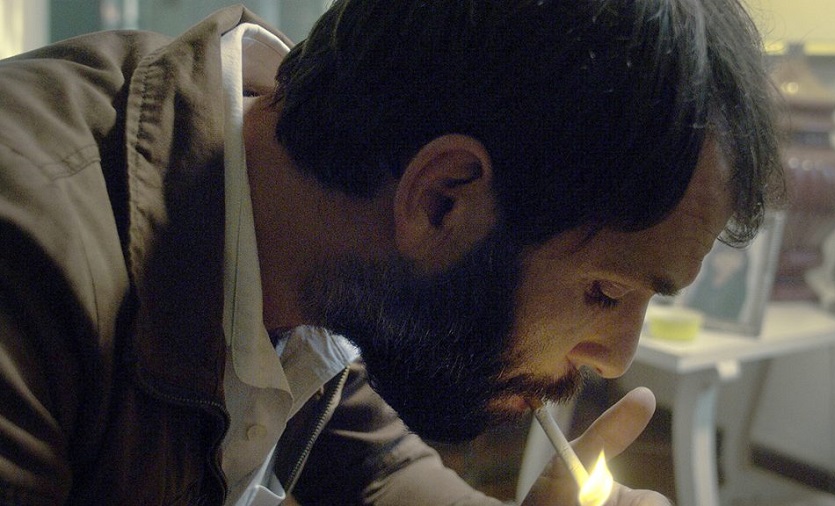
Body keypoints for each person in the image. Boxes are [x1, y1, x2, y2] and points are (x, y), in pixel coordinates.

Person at [0, 0, 782, 504]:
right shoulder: (29, 266)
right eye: (605, 294)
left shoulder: (320, 226)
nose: (615, 358)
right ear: (441, 199)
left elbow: (385, 471)